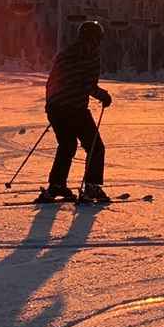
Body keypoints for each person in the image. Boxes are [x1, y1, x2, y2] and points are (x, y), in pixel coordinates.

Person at [36, 20, 113, 203]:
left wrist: (53, 103)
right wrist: (104, 96)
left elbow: (53, 79)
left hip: (56, 107)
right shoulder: (90, 54)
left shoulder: (65, 53)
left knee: (67, 145)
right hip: (75, 108)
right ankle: (92, 186)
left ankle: (57, 185)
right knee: (95, 147)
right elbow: (87, 84)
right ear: (95, 39)